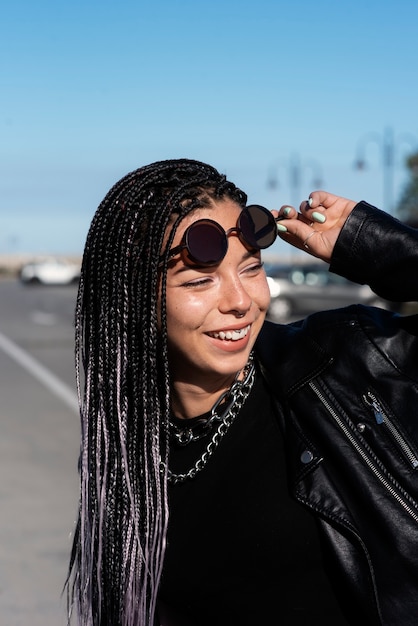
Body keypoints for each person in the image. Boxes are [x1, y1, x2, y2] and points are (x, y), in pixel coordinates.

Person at [66, 158, 418, 626]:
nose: (240, 301)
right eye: (199, 281)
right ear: (133, 299)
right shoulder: (126, 445)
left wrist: (371, 244)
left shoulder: (346, 361)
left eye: (251, 269)